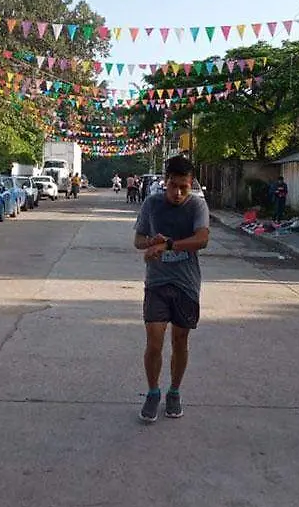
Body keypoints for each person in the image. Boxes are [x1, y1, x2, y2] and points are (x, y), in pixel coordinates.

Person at [133, 155, 210, 423]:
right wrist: (151, 242)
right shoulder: (152, 204)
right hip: (156, 282)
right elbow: (138, 240)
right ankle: (153, 392)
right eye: (173, 185)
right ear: (165, 182)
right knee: (154, 341)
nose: (177, 193)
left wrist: (167, 245)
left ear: (191, 184)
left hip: (186, 284)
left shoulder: (198, 206)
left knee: (180, 340)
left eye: (184, 187)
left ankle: (174, 391)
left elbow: (202, 239)